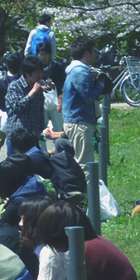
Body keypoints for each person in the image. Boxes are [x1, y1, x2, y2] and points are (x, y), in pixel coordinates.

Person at [51, 35, 109, 179]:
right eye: (93, 51)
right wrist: (100, 83)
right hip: (79, 123)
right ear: (87, 52)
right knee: (86, 165)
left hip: (74, 121)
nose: (95, 54)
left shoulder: (74, 70)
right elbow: (88, 96)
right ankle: (88, 199)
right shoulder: (80, 71)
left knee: (81, 162)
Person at [0, 52, 21, 175]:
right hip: (16, 115)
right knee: (12, 141)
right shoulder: (21, 80)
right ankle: (12, 164)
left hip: (1, 113)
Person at [5, 54, 47, 142]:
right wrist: (33, 92)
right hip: (18, 136)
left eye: (41, 72)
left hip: (33, 135)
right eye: (37, 73)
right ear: (27, 74)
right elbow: (18, 107)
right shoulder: (15, 86)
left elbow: (40, 109)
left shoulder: (38, 87)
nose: (40, 75)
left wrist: (41, 128)